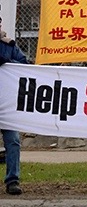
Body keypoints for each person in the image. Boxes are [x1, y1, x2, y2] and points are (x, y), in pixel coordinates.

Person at [0, 16, 28, 195]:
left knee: (13, 141)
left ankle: (13, 180)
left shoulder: (9, 45)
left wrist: (7, 62)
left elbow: (25, 65)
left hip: (7, 103)